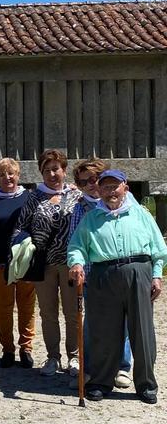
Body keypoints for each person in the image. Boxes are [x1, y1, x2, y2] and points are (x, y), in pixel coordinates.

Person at [67, 169, 166, 404]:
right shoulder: (91, 218)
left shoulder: (140, 214)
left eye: (115, 186)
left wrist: (156, 275)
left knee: (142, 332)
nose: (111, 191)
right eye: (106, 187)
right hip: (104, 275)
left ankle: (145, 384)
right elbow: (76, 247)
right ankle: (101, 382)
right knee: (103, 332)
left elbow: (158, 248)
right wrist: (77, 263)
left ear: (125, 188)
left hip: (138, 273)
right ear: (99, 190)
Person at [12, 149, 82, 377]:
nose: (52, 174)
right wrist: (25, 247)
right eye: (47, 170)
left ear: (64, 170)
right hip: (43, 264)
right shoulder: (33, 197)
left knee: (73, 313)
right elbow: (20, 227)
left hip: (71, 263)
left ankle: (74, 356)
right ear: (41, 172)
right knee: (48, 313)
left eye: (56, 169)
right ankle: (53, 357)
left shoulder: (76, 195)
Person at [68, 159, 133, 389]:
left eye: (94, 179)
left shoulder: (126, 202)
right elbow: (75, 242)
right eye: (83, 181)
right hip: (93, 276)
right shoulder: (80, 207)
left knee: (123, 321)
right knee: (92, 324)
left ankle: (123, 367)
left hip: (121, 272)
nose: (90, 185)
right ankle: (90, 368)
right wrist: (78, 268)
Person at [0, 158, 36, 369]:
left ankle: (26, 348)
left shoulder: (29, 197)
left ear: (18, 175)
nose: (7, 178)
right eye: (2, 174)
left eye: (11, 173)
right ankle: (7, 349)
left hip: (24, 262)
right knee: (4, 307)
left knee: (27, 306)